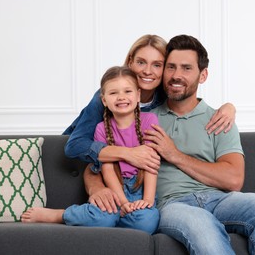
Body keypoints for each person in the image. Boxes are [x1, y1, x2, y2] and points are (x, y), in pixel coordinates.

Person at [141, 35, 255, 254]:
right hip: (172, 205)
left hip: (220, 200)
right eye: (171, 67)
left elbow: (233, 179)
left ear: (202, 75)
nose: (176, 75)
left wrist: (174, 154)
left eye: (186, 68)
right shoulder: (144, 120)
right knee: (201, 223)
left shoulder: (219, 119)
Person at [64, 34, 237, 213]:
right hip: (84, 160)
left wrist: (229, 107)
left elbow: (188, 101)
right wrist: (128, 155)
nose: (147, 71)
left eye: (157, 65)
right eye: (141, 62)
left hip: (125, 175)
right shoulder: (110, 95)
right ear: (130, 62)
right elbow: (75, 146)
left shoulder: (163, 98)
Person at [21, 66, 159, 234]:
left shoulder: (150, 120)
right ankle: (62, 215)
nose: (121, 97)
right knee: (105, 216)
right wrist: (123, 203)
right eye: (113, 93)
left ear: (138, 95)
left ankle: (113, 220)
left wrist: (147, 201)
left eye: (127, 91)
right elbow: (107, 169)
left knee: (147, 221)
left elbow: (151, 165)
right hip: (115, 189)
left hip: (141, 191)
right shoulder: (101, 128)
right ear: (104, 100)